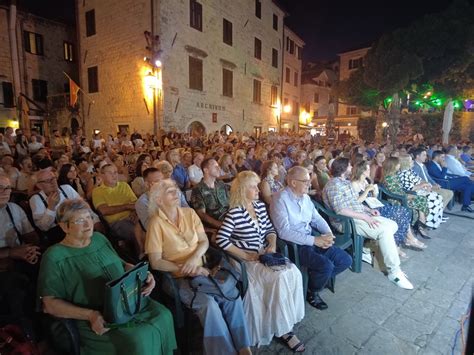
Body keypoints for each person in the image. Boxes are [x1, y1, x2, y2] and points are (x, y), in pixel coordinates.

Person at [38, 199, 176, 355]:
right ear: (64, 226)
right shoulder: (54, 256)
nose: (88, 224)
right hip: (97, 318)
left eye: (89, 217)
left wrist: (144, 274)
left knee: (164, 315)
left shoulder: (99, 239)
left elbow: (122, 265)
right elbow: (49, 304)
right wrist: (90, 315)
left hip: (126, 303)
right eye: (79, 220)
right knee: (138, 338)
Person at [146, 179, 252, 355]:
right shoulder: (155, 223)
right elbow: (156, 261)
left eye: (176, 190)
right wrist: (183, 267)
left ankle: (244, 348)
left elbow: (203, 240)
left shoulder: (189, 213)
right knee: (209, 305)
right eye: (170, 192)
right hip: (178, 279)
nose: (177, 193)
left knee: (230, 296)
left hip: (204, 271)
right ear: (158, 200)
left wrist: (195, 258)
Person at [216, 171, 305, 350]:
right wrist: (246, 255)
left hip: (264, 254)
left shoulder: (259, 207)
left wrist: (271, 245)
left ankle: (286, 318)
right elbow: (221, 240)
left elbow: (270, 230)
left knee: (294, 271)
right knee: (278, 278)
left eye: (257, 186)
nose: (258, 190)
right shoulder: (234, 213)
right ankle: (284, 331)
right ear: (242, 190)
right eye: (253, 187)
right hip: (246, 260)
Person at [322, 158, 414, 290]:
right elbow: (341, 210)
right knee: (385, 231)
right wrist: (365, 217)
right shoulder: (333, 186)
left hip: (358, 216)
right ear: (344, 168)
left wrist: (369, 210)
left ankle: (367, 249)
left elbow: (354, 202)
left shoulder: (345, 183)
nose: (352, 167)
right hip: (346, 222)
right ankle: (394, 271)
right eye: (350, 165)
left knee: (393, 224)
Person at [271, 166, 353, 308]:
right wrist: (315, 240)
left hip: (311, 238)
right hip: (294, 245)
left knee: (345, 260)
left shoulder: (305, 198)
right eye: (306, 181)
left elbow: (317, 218)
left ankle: (314, 280)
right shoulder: (280, 199)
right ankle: (313, 291)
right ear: (293, 182)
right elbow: (284, 232)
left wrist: (328, 234)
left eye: (309, 181)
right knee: (326, 266)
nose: (310, 184)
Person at [351, 161, 426, 256]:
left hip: (374, 205)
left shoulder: (366, 181)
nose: (370, 170)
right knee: (398, 213)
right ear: (362, 171)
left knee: (403, 211)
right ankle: (403, 242)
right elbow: (356, 202)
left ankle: (404, 241)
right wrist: (366, 190)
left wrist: (374, 192)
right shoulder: (354, 184)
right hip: (366, 209)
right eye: (368, 169)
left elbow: (374, 197)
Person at [92, 164, 138, 253]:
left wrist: (135, 212)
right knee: (136, 232)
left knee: (150, 225)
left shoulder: (124, 185)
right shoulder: (98, 191)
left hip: (133, 216)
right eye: (110, 173)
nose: (114, 175)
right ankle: (142, 257)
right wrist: (127, 206)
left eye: (115, 172)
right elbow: (104, 210)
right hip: (117, 222)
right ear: (102, 175)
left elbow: (135, 203)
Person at [397, 154, 444, 229]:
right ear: (406, 163)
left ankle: (435, 220)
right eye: (411, 160)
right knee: (434, 199)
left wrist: (427, 184)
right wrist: (422, 186)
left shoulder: (410, 171)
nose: (413, 161)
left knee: (439, 197)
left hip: (420, 190)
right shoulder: (403, 173)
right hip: (413, 193)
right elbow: (409, 188)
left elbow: (419, 179)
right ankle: (428, 222)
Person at [191, 158, 230, 229]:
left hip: (230, 219)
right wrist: (220, 225)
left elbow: (230, 201)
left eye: (218, 166)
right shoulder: (198, 189)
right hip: (216, 224)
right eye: (215, 166)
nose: (219, 168)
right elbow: (202, 214)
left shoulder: (220, 184)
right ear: (206, 170)